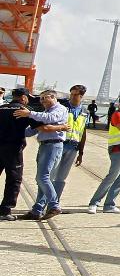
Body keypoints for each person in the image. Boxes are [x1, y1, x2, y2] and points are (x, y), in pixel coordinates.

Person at [15, 90, 70, 220]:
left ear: (53, 97)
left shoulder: (60, 109)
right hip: (44, 145)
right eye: (40, 99)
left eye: (44, 98)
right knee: (43, 180)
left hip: (53, 145)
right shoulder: (44, 113)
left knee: (43, 177)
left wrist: (29, 113)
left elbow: (51, 119)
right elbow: (31, 131)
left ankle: (54, 205)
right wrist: (14, 130)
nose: (42, 101)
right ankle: (37, 210)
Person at [51, 85, 89, 202]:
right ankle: (43, 202)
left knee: (61, 178)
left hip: (73, 147)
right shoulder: (62, 108)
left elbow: (83, 133)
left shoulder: (85, 112)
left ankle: (54, 203)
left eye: (75, 94)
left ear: (81, 96)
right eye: (71, 94)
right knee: (50, 176)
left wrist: (81, 153)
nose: (72, 97)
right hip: (59, 144)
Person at [0, 89, 33, 221]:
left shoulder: (1, 108)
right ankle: (5, 210)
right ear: (23, 98)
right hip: (13, 149)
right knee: (14, 179)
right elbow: (39, 126)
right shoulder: (23, 110)